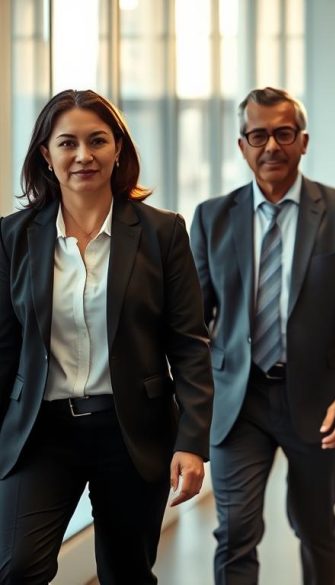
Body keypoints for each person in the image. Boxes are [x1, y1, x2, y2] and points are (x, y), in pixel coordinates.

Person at [0, 89, 213, 584]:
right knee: (17, 566)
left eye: (97, 140)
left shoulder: (162, 232)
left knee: (126, 572)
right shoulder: (13, 237)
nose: (83, 155)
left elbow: (188, 344)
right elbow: (4, 348)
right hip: (41, 433)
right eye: (67, 143)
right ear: (45, 156)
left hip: (132, 429)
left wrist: (192, 441)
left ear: (118, 148)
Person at [190, 87, 335, 585]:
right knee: (235, 532)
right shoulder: (212, 217)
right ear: (242, 146)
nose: (271, 147)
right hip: (239, 401)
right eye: (258, 135)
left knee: (317, 527)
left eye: (283, 134)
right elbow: (191, 322)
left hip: (319, 403)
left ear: (303, 142)